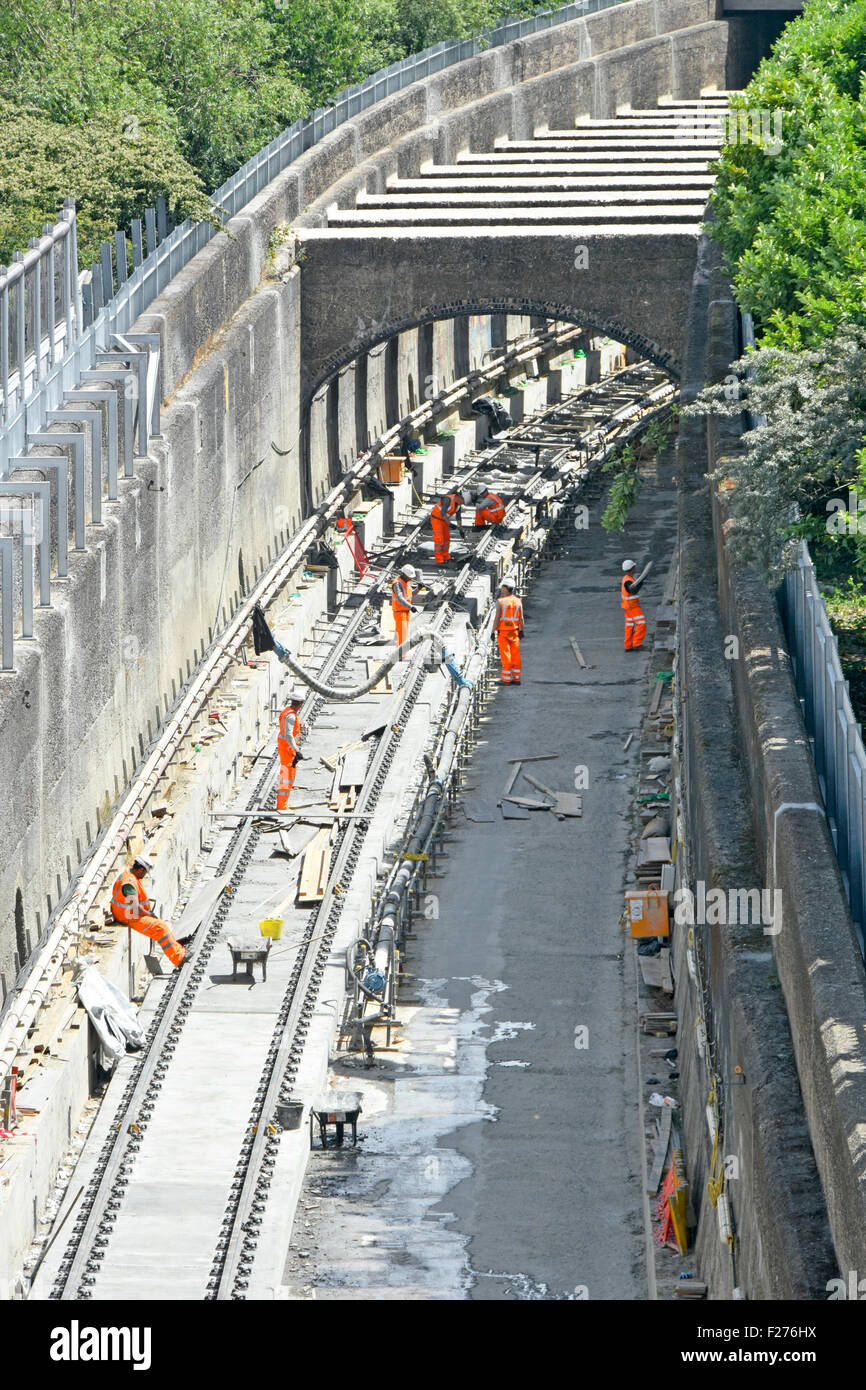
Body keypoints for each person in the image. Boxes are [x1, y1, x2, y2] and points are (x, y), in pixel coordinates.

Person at [111, 853, 186, 967]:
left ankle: (179, 951)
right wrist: (149, 914)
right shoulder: (129, 884)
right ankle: (179, 958)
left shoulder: (128, 875)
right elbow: (135, 907)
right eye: (145, 873)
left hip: (129, 914)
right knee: (160, 928)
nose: (144, 875)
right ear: (140, 869)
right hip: (129, 916)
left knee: (161, 925)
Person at [277, 689, 305, 810]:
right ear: (300, 703)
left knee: (287, 774)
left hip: (285, 746)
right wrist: (296, 750)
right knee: (287, 776)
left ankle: (283, 804)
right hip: (288, 749)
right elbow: (289, 735)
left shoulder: (286, 711)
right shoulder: (291, 716)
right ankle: (282, 806)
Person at [430, 487, 474, 564]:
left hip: (444, 520)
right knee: (439, 540)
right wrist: (450, 524)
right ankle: (439, 560)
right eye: (462, 501)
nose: (462, 504)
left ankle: (446, 556)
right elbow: (443, 513)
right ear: (460, 497)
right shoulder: (448, 499)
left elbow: (458, 517)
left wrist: (461, 529)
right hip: (436, 519)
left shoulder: (458, 505)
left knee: (447, 539)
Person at [494, 575, 524, 685]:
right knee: (515, 654)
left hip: (503, 632)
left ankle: (506, 679)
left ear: (506, 588)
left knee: (506, 654)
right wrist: (521, 630)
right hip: (515, 631)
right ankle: (517, 679)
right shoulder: (518, 601)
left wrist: (493, 630)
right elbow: (521, 618)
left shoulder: (500, 601)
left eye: (502, 587)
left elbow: (497, 618)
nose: (501, 589)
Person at [621, 560, 647, 650]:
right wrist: (641, 582)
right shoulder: (628, 581)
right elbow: (633, 590)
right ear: (632, 569)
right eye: (634, 567)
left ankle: (628, 646)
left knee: (629, 626)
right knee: (641, 624)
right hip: (632, 606)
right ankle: (637, 644)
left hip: (627, 606)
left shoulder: (626, 579)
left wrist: (639, 582)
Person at [391, 564, 419, 647]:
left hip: (405, 611)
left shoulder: (407, 582)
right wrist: (411, 607)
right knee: (402, 636)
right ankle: (400, 654)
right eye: (409, 576)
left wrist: (418, 589)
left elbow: (409, 595)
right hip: (399, 612)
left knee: (404, 635)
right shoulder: (397, 583)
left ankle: (402, 654)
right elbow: (400, 598)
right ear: (404, 574)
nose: (411, 578)